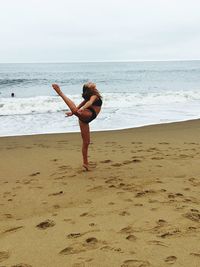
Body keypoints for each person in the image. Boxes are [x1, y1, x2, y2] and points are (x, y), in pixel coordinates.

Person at [52, 82, 102, 171]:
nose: (90, 83)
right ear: (89, 89)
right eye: (89, 84)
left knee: (86, 142)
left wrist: (79, 109)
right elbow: (87, 103)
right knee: (75, 111)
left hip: (86, 115)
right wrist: (77, 110)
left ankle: (85, 164)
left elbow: (89, 102)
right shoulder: (93, 95)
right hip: (89, 114)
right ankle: (60, 92)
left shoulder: (94, 96)